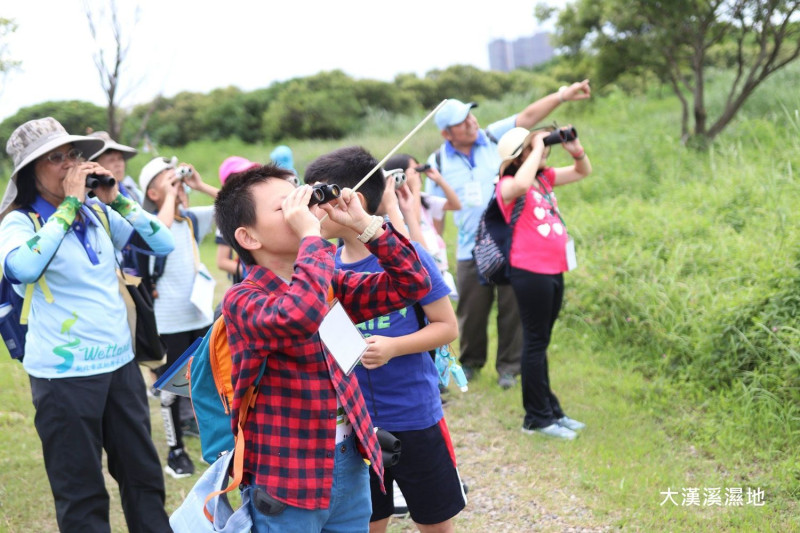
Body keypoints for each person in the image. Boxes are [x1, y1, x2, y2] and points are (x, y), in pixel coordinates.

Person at [214, 162, 432, 532]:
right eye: (287, 207)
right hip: (287, 474)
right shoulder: (242, 300)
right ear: (249, 238)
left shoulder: (328, 281)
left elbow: (412, 284)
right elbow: (298, 316)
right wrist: (312, 240)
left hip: (348, 459)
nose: (305, 210)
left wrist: (365, 225)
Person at [0, 117, 174, 532]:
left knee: (144, 479)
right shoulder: (21, 222)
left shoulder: (98, 212)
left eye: (72, 154)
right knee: (81, 492)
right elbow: (22, 268)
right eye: (54, 158)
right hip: (64, 378)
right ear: (29, 172)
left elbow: (162, 242)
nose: (69, 165)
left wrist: (116, 199)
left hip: (120, 368)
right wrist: (69, 205)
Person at [307, 147, 465, 532]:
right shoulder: (323, 267)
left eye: (317, 200)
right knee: (367, 521)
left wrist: (394, 346)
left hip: (415, 414)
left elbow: (447, 326)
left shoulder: (407, 257)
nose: (309, 213)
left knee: (435, 518)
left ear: (352, 201)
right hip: (355, 427)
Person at [426, 81, 592, 389]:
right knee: (471, 311)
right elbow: (434, 211)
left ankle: (509, 368)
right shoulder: (438, 162)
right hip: (469, 248)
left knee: (512, 308)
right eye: (461, 122)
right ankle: (472, 361)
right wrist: (434, 253)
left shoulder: (492, 138)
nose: (471, 123)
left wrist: (562, 96)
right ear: (446, 133)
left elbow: (528, 117)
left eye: (471, 116)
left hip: (513, 245)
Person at [495, 126, 592, 439]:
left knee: (541, 342)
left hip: (553, 268)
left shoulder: (543, 178)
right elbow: (520, 182)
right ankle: (536, 418)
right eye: (531, 147)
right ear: (517, 155)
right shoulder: (507, 184)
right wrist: (534, 146)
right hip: (529, 271)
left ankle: (551, 410)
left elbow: (582, 171)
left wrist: (573, 146)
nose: (542, 149)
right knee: (535, 342)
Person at [138, 155, 220, 477]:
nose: (177, 183)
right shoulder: (146, 222)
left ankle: (213, 443)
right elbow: (160, 234)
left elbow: (232, 206)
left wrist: (198, 184)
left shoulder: (191, 220)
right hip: (168, 321)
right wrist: (171, 195)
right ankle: (176, 452)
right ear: (153, 193)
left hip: (197, 315)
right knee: (172, 389)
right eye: (166, 180)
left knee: (205, 383)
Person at [384, 153, 461, 300]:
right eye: (413, 171)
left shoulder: (424, 199)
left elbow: (456, 204)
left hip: (436, 266)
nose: (417, 175)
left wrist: (439, 179)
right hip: (421, 267)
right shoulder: (395, 207)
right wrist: (415, 189)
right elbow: (414, 221)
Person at [215, 156, 258, 286]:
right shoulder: (228, 218)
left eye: (250, 174)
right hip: (248, 284)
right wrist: (252, 273)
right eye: (241, 177)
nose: (248, 180)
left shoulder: (262, 208)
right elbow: (222, 261)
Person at [88, 131, 144, 204]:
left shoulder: (134, 194)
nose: (118, 164)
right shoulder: (89, 202)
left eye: (120, 158)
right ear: (94, 165)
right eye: (111, 160)